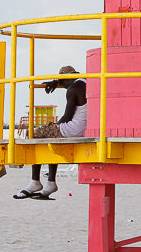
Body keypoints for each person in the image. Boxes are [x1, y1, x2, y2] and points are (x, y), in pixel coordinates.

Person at [14, 66, 88, 200]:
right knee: (51, 138)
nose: (63, 86)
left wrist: (53, 127)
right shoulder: (88, 82)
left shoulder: (72, 90)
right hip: (87, 129)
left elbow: (68, 116)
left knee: (34, 133)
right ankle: (50, 183)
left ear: (66, 80)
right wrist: (56, 82)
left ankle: (35, 181)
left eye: (62, 82)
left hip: (72, 129)